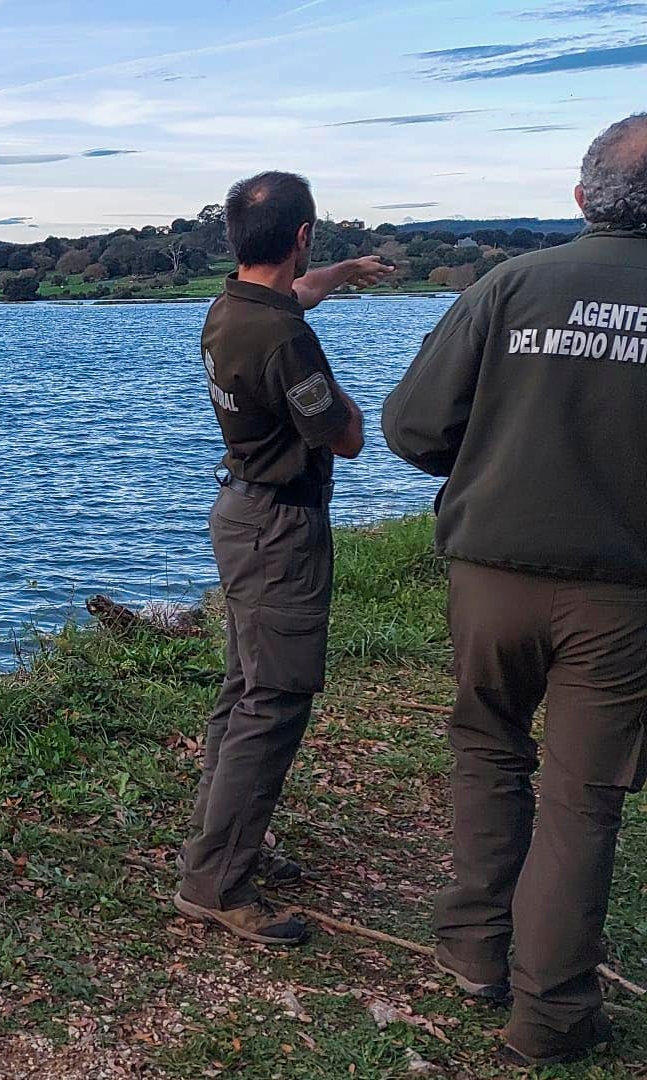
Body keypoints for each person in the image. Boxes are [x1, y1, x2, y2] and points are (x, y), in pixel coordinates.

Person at [384, 114, 647, 1068]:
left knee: (488, 748)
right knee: (586, 799)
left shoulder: (508, 286)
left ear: (581, 200)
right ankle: (552, 1013)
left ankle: (474, 952)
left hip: (490, 575)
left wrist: (496, 456)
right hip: (623, 598)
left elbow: (413, 427)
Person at [176, 171, 390, 945]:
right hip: (280, 529)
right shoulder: (282, 339)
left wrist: (339, 276)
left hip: (242, 513)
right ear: (302, 234)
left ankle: (220, 840)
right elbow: (343, 433)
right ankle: (216, 881)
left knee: (245, 688)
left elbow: (288, 297)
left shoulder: (229, 308)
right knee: (275, 698)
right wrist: (357, 410)